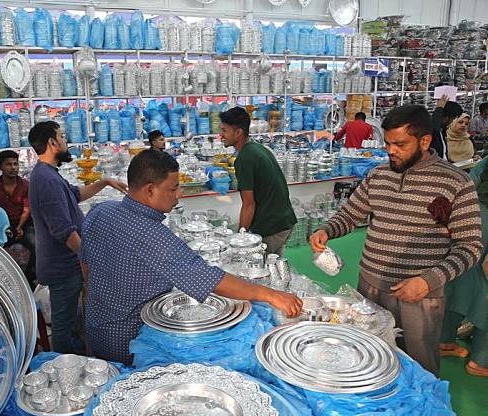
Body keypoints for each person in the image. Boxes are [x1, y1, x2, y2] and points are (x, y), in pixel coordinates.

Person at [81, 149, 303, 365]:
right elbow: (210, 280)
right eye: (173, 188)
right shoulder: (152, 235)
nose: (179, 194)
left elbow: (85, 267)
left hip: (94, 327)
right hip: (128, 341)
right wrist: (270, 295)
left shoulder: (101, 211)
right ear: (150, 191)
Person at [309, 104, 483, 376]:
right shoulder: (379, 175)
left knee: (419, 369)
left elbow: (470, 247)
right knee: (370, 361)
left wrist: (429, 281)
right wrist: (326, 231)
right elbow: (350, 215)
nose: (391, 150)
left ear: (424, 141)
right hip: (370, 289)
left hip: (419, 296)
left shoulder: (456, 183)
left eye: (400, 144)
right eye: (388, 142)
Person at [27, 121, 128, 354]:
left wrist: (105, 182)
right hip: (62, 266)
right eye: (62, 137)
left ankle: (74, 356)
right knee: (63, 326)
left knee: (71, 321)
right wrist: (90, 260)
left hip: (66, 264)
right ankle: (64, 367)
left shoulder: (49, 175)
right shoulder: (47, 180)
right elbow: (65, 233)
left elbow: (76, 195)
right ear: (52, 143)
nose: (66, 141)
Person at [220, 107, 296, 255]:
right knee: (274, 268)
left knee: (256, 270)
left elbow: (248, 204)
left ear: (238, 132)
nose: (220, 135)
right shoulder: (259, 149)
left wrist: (241, 239)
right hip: (284, 221)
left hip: (271, 227)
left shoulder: (244, 159)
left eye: (224, 130)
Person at [439, 156, 488, 377]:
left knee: (458, 276)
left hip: (474, 213)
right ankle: (482, 360)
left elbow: (471, 179)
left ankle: (445, 341)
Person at [0, 150, 35, 284]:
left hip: (23, 224)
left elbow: (27, 209)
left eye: (15, 164)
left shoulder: (26, 185)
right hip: (2, 226)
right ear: (0, 167)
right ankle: (4, 282)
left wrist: (20, 227)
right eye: (8, 164)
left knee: (36, 244)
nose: (13, 168)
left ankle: (28, 280)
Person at [431, 94, 463, 160]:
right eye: (453, 118)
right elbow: (434, 127)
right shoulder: (433, 131)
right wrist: (439, 108)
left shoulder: (442, 131)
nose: (453, 122)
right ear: (446, 118)